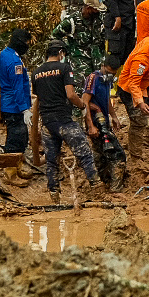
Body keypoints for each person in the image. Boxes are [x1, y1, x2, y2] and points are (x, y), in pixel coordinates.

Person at [30, 40, 104, 199]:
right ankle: (97, 188)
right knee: (84, 153)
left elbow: (38, 98)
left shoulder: (36, 73)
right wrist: (82, 105)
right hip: (64, 120)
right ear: (60, 53)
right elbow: (70, 94)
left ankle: (54, 194)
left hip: (47, 123)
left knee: (51, 161)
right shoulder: (64, 68)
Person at [82, 56, 127, 190]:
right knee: (118, 155)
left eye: (113, 73)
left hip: (104, 121)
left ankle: (102, 183)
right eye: (108, 72)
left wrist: (114, 117)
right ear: (102, 66)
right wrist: (91, 126)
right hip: (96, 122)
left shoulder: (107, 80)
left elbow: (107, 99)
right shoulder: (93, 78)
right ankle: (115, 188)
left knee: (101, 154)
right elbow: (84, 102)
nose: (110, 75)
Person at [0, 29, 35, 179]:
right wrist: (24, 109)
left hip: (8, 103)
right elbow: (17, 87)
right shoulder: (15, 62)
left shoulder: (4, 54)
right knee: (16, 139)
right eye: (26, 42)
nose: (27, 45)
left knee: (19, 136)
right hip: (14, 106)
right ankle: (10, 173)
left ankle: (17, 165)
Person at [104, 0, 141, 71]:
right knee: (115, 55)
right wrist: (117, 17)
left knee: (127, 55)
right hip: (118, 24)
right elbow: (112, 0)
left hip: (128, 23)